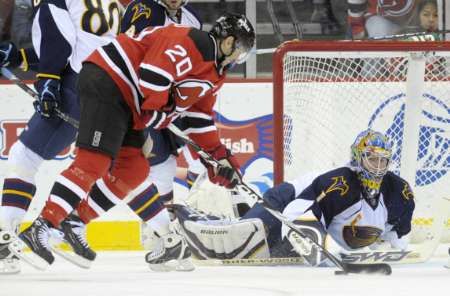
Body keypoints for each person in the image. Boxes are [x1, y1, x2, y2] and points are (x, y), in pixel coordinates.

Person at [17, 13, 255, 272]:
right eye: (241, 51)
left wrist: (219, 157)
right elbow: (153, 76)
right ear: (229, 42)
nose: (239, 59)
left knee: (133, 169)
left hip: (131, 102)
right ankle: (42, 225)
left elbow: (197, 117)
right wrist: (157, 116)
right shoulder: (192, 42)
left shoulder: (214, 74)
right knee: (94, 161)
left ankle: (74, 223)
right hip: (109, 80)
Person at [72, 0, 207, 271]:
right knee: (140, 167)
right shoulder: (143, 9)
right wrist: (153, 103)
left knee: (163, 166)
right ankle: (155, 235)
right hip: (136, 98)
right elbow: (140, 62)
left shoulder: (193, 18)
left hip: (166, 102)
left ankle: (162, 236)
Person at [0, 0, 121, 274]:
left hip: (79, 84)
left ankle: (6, 243)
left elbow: (58, 45)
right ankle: (64, 227)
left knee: (25, 156)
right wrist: (19, 56)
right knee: (114, 163)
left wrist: (48, 83)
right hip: (109, 87)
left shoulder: (54, 1)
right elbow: (78, 40)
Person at [173, 129, 415, 266]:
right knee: (242, 240)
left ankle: (240, 213)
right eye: (373, 159)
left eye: (383, 160)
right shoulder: (339, 184)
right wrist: (316, 244)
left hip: (304, 209)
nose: (378, 167)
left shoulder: (398, 191)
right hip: (286, 198)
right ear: (357, 158)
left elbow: (396, 232)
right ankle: (194, 216)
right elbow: (293, 214)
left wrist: (388, 242)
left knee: (265, 247)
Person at [347, 0, 418, 39]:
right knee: (380, 27)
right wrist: (358, 31)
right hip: (377, 21)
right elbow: (356, 8)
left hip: (413, 24)